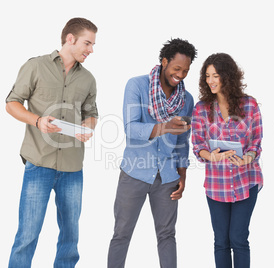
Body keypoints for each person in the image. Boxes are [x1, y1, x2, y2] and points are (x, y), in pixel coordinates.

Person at [6, 17, 98, 268]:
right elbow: (12, 103)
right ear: (70, 39)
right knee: (27, 236)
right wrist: (37, 121)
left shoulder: (88, 79)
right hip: (39, 163)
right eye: (87, 43)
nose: (91, 49)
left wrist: (86, 128)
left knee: (70, 238)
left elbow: (92, 114)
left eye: (92, 45)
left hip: (72, 168)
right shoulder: (35, 66)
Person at [107, 38, 197, 268]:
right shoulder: (137, 85)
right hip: (134, 173)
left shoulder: (186, 100)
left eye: (185, 70)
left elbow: (182, 141)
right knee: (122, 234)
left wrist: (183, 175)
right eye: (177, 68)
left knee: (167, 236)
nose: (181, 75)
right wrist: (165, 126)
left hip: (167, 177)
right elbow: (131, 129)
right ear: (164, 62)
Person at [191, 53, 263, 268]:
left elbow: (256, 142)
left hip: (245, 181)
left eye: (216, 75)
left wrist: (246, 158)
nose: (211, 80)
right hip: (216, 186)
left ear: (228, 76)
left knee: (239, 239)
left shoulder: (249, 104)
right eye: (207, 76)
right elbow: (198, 146)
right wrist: (210, 155)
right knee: (221, 241)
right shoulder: (201, 108)